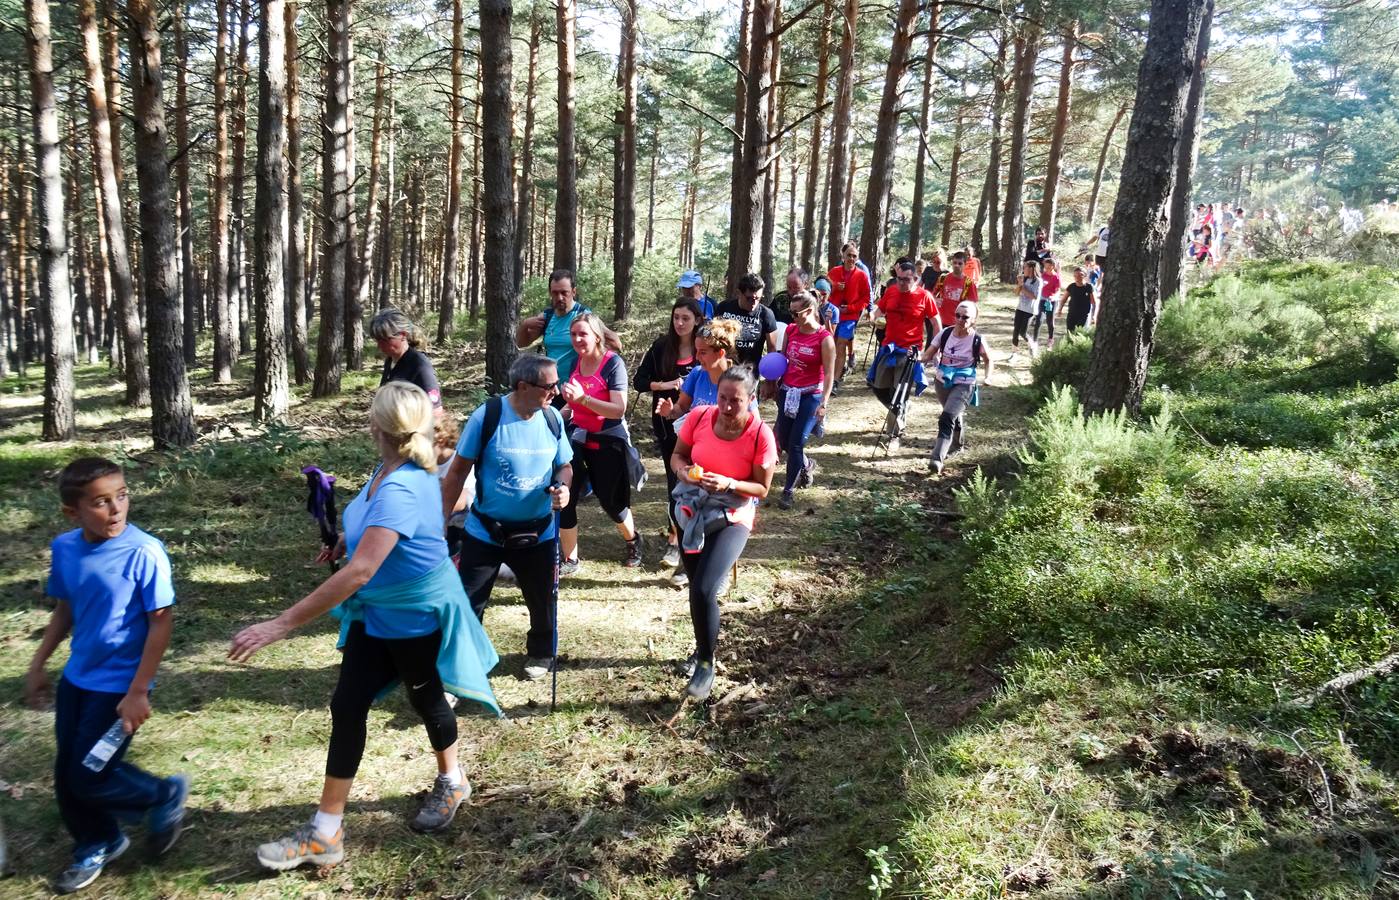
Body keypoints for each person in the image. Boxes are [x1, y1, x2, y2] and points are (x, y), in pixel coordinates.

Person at [231, 382, 501, 871]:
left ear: (375, 426)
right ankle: (326, 832)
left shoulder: (402, 484)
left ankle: (453, 779)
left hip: (414, 614)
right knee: (348, 704)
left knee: (426, 698)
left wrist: (280, 624)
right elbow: (367, 542)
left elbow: (361, 572)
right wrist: (343, 544)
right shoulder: (389, 468)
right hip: (377, 609)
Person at [25, 458, 188, 894]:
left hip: (119, 688)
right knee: (67, 773)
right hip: (78, 680)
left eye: (122, 496)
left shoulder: (144, 551)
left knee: (90, 772)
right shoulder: (66, 549)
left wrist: (139, 690)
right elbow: (66, 609)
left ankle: (162, 795)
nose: (116, 509)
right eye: (100, 502)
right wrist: (39, 663)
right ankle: (99, 841)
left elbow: (161, 622)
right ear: (72, 512)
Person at [440, 355, 573, 679]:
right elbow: (458, 471)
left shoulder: (553, 419)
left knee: (542, 600)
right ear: (523, 386)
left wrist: (564, 489)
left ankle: (542, 653)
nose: (557, 391)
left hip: (538, 533)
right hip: (486, 532)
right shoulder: (488, 416)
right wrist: (440, 522)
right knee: (468, 604)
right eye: (550, 385)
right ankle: (462, 670)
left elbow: (564, 466)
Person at [669, 366, 777, 699]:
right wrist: (685, 472)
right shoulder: (700, 416)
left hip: (733, 514)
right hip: (693, 508)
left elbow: (762, 488)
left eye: (736, 401)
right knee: (696, 587)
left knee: (704, 588)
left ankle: (705, 662)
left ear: (751, 399)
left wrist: (730, 483)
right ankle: (703, 645)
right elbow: (677, 456)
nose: (728, 407)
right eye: (723, 398)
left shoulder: (760, 434)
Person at [559, 312, 643, 573]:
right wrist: (563, 410)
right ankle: (570, 559)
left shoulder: (612, 364)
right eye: (573, 334)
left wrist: (583, 400)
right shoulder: (576, 361)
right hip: (576, 438)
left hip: (608, 440)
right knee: (566, 495)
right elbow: (575, 402)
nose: (577, 339)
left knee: (610, 501)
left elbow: (618, 409)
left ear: (596, 336)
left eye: (582, 334)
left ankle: (633, 540)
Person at [635, 298, 706, 584]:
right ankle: (674, 542)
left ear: (697, 320)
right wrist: (666, 385)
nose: (679, 323)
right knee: (675, 485)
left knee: (698, 482)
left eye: (685, 318)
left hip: (700, 427)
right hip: (668, 424)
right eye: (676, 317)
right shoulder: (661, 347)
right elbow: (640, 382)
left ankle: (698, 540)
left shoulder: (705, 349)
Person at [867, 260, 941, 447]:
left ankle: (894, 436)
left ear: (915, 279)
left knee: (898, 394)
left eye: (906, 280)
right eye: (899, 279)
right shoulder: (891, 291)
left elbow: (936, 323)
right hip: (888, 348)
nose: (901, 283)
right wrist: (872, 316)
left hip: (910, 352)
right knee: (878, 387)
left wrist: (934, 349)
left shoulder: (925, 297)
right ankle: (900, 410)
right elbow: (879, 310)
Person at [773, 291, 836, 509]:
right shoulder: (791, 330)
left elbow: (829, 373)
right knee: (783, 437)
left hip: (810, 395)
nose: (792, 317)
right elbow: (783, 359)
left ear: (809, 311)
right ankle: (807, 464)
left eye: (795, 312)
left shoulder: (824, 339)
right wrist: (772, 382)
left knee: (797, 441)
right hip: (788, 391)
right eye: (790, 312)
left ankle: (788, 491)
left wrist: (824, 403)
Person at [922, 300, 994, 476]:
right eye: (958, 315)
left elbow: (988, 359)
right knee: (952, 413)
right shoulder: (945, 334)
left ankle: (937, 459)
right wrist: (916, 357)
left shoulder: (977, 339)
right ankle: (957, 443)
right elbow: (928, 353)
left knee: (946, 417)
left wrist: (988, 377)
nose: (960, 319)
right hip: (942, 381)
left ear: (974, 319)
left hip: (964, 383)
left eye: (965, 317)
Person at [515, 269, 621, 381]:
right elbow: (521, 343)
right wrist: (525, 324)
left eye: (564, 292)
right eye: (555, 293)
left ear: (573, 292)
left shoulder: (584, 317)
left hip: (578, 388)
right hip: (551, 387)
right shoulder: (547, 316)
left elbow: (616, 344)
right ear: (550, 292)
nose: (559, 297)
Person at [657, 317, 742, 423]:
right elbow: (682, 407)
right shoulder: (697, 374)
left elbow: (752, 424)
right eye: (696, 351)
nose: (696, 357)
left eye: (702, 352)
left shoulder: (740, 382)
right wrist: (670, 411)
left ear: (720, 353)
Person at [372, 308, 442, 414]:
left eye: (385, 340)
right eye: (377, 340)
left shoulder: (420, 365)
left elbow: (436, 411)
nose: (380, 345)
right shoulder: (390, 361)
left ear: (403, 335)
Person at [827, 242, 873, 380]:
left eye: (854, 256)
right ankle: (837, 371)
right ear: (843, 256)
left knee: (841, 344)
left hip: (850, 316)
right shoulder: (834, 272)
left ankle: (834, 381)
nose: (851, 259)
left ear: (857, 258)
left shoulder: (862, 275)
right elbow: (823, 292)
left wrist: (852, 308)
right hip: (833, 316)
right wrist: (834, 287)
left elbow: (866, 297)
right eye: (849, 255)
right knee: (832, 345)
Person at [716, 272, 779, 367]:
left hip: (750, 372)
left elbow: (772, 348)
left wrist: (771, 375)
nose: (754, 303)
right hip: (724, 367)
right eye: (749, 299)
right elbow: (714, 336)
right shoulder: (724, 307)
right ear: (739, 293)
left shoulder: (766, 314)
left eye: (758, 298)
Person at [932, 252, 979, 332]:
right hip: (941, 321)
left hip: (958, 322)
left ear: (965, 265)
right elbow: (932, 295)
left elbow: (973, 305)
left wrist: (971, 322)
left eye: (960, 263)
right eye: (954, 263)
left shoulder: (969, 283)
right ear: (952, 263)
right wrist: (935, 300)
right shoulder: (943, 278)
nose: (957, 265)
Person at [1012, 259, 1042, 358]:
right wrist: (1019, 285)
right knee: (1016, 331)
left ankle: (1032, 345)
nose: (1023, 269)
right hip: (1020, 308)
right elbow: (1016, 293)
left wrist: (1022, 287)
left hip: (1030, 310)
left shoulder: (1038, 281)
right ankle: (1014, 353)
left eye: (1025, 267)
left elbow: (1034, 296)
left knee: (1022, 332)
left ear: (1031, 269)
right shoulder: (1024, 279)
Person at [1032, 257, 1061, 348]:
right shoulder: (1042, 276)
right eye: (1045, 266)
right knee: (1039, 319)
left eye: (1048, 266)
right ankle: (1035, 340)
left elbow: (1057, 290)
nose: (1046, 268)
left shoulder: (1056, 277)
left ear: (1053, 266)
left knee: (1049, 320)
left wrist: (1053, 296)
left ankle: (1050, 339)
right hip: (1041, 299)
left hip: (1050, 301)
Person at [1058, 266, 1096, 334]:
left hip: (1084, 315)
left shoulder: (1088, 287)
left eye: (1080, 275)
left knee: (1079, 334)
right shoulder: (1071, 286)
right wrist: (1060, 309)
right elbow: (1064, 299)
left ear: (1084, 275)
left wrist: (1093, 316)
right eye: (1075, 275)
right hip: (1072, 314)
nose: (1077, 277)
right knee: (1070, 333)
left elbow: (1093, 302)